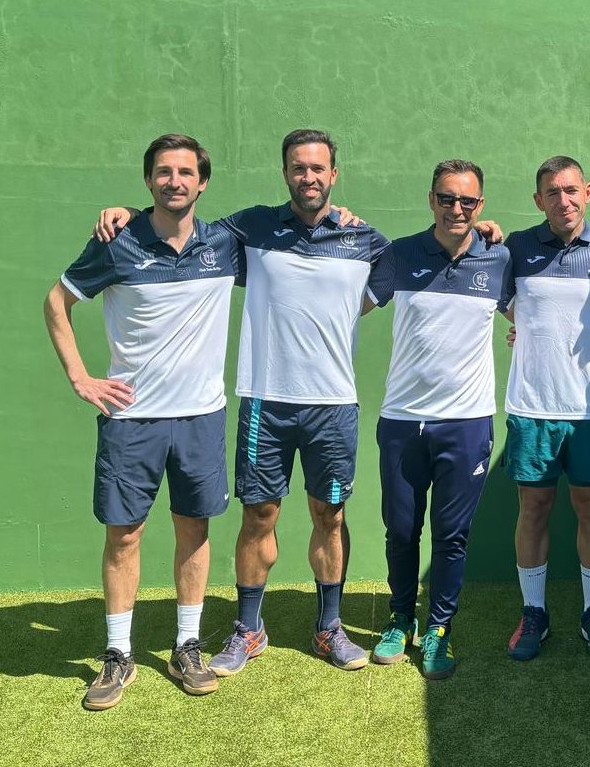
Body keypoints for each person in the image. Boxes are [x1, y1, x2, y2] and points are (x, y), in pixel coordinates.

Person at [95, 129, 387, 672]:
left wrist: (484, 233)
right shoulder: (249, 229)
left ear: (333, 174)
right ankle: (249, 629)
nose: (308, 177)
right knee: (259, 515)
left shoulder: (364, 238)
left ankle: (329, 628)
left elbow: (419, 262)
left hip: (334, 405)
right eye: (298, 167)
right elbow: (181, 221)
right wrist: (129, 213)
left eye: (317, 168)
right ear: (285, 173)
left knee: (330, 514)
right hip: (264, 403)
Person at [44, 134, 240, 709]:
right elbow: (57, 301)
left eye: (185, 172)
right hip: (131, 420)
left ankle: (187, 646)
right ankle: (118, 654)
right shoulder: (118, 242)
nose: (174, 181)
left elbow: (296, 227)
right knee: (124, 534)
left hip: (201, 416)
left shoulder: (227, 243)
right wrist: (80, 377)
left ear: (203, 182)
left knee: (194, 530)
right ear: (149, 180)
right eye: (163, 172)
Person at [362, 160, 511, 679]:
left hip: (467, 424)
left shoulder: (499, 257)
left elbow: (537, 314)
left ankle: (439, 629)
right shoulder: (399, 254)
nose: (456, 209)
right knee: (401, 530)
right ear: (431, 200)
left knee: (451, 536)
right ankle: (401, 619)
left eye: (467, 201)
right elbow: (344, 306)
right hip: (403, 421)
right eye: (447, 199)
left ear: (480, 205)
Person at [500, 156, 590, 663]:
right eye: (552, 192)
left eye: (571, 190)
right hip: (532, 407)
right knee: (532, 510)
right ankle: (533, 612)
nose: (563, 200)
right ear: (539, 200)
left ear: (587, 192)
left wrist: (582, 337)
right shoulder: (516, 247)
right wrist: (532, 331)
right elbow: (504, 303)